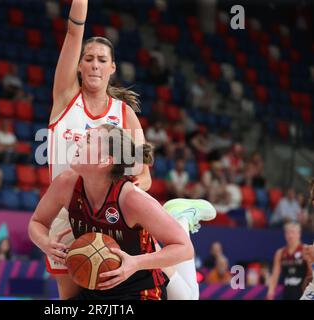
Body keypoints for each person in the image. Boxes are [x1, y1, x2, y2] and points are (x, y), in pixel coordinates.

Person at [46, 0, 215, 300]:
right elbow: (73, 34)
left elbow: (143, 176)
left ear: (112, 67)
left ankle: (177, 222)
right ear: (79, 65)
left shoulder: (123, 114)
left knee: (183, 299)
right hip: (67, 215)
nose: (95, 64)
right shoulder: (65, 99)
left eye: (102, 59)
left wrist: (130, 196)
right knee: (71, 301)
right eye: (88, 58)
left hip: (113, 217)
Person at [29, 125, 194, 299]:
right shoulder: (65, 184)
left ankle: (182, 219)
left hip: (140, 290)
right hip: (93, 292)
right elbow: (37, 222)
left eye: (88, 141)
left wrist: (136, 263)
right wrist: (45, 243)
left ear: (105, 161)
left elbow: (185, 249)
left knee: (188, 296)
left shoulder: (131, 199)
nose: (78, 143)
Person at [267, 222, 310, 300]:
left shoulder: (306, 250)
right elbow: (275, 274)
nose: (290, 236)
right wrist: (271, 290)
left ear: (299, 234)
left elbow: (312, 273)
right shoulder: (280, 253)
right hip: (288, 291)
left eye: (293, 232)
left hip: (304, 292)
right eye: (288, 233)